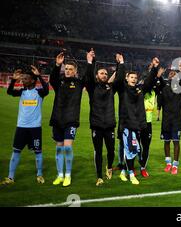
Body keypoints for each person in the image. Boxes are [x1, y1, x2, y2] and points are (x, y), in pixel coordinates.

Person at [115, 54, 159, 185]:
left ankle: (126, 171)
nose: (134, 79)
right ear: (127, 78)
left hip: (139, 124)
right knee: (129, 150)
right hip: (127, 125)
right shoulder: (122, 89)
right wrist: (121, 63)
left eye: (135, 77)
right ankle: (130, 173)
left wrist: (155, 68)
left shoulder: (140, 90)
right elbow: (117, 80)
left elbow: (149, 82)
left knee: (133, 150)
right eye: (131, 77)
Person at [1, 66, 49, 185]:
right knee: (16, 151)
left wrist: (38, 76)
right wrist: (13, 80)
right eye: (23, 78)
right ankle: (10, 177)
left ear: (32, 80)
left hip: (35, 128)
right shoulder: (22, 92)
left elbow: (47, 90)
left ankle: (39, 175)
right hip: (21, 127)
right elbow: (10, 92)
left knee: (38, 152)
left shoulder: (39, 92)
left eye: (26, 78)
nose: (23, 80)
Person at [85, 49, 123, 186]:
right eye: (101, 73)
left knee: (111, 150)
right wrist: (91, 62)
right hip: (96, 125)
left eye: (106, 73)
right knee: (99, 151)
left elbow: (119, 77)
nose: (104, 75)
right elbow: (88, 76)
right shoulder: (92, 87)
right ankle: (99, 176)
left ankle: (109, 167)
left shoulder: (111, 88)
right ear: (97, 76)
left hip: (109, 125)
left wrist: (120, 64)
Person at [50, 52, 87, 187]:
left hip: (71, 119)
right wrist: (57, 65)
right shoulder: (59, 82)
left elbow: (88, 77)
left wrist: (90, 62)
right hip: (57, 119)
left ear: (75, 71)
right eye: (66, 69)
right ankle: (60, 175)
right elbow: (52, 79)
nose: (68, 71)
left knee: (67, 147)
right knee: (59, 148)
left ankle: (68, 175)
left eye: (70, 69)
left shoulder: (79, 83)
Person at [139, 57, 164, 178]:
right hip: (137, 122)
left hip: (148, 122)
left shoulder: (154, 87)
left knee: (146, 146)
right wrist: (154, 69)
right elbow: (149, 82)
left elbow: (162, 86)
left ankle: (142, 167)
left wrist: (159, 76)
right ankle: (130, 166)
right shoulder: (142, 87)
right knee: (135, 146)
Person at [160, 67, 181, 175]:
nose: (172, 75)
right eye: (171, 74)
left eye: (174, 74)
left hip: (177, 120)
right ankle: (168, 163)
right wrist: (159, 75)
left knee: (176, 142)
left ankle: (175, 165)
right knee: (166, 142)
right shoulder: (164, 87)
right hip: (166, 119)